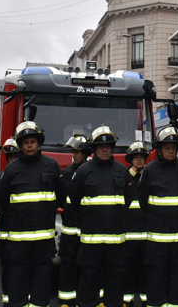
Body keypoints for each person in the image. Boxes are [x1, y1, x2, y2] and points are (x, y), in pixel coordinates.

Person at [0, 121, 64, 307]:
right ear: (20, 145)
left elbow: (61, 195)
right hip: (18, 243)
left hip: (43, 241)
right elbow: (1, 200)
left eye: (33, 141)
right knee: (17, 286)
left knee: (42, 286)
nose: (29, 145)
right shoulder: (11, 169)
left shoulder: (52, 166)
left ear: (38, 143)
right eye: (25, 142)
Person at [69, 125, 131, 307]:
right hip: (91, 241)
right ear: (94, 149)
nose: (105, 149)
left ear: (112, 148)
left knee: (116, 281)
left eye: (108, 146)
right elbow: (74, 200)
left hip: (116, 241)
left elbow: (127, 199)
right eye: (101, 146)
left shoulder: (122, 170)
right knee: (88, 281)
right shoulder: (83, 171)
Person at [138, 127, 178, 307]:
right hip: (157, 240)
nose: (171, 150)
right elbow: (143, 201)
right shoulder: (150, 170)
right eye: (167, 147)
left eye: (173, 147)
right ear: (159, 150)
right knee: (156, 278)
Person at [58, 134, 91, 307]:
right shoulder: (67, 173)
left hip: (87, 228)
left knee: (88, 267)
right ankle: (66, 301)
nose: (74, 155)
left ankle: (87, 301)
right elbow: (60, 197)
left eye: (78, 152)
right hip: (70, 228)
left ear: (85, 154)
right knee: (68, 265)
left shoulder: (91, 172)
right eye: (74, 152)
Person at [0, 138, 20, 306]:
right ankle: (7, 299)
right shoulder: (1, 177)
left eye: (14, 156)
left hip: (19, 231)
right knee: (7, 268)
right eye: (9, 157)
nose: (12, 160)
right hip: (5, 232)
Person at [124, 141, 150, 306]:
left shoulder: (150, 175)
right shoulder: (125, 176)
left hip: (146, 232)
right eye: (136, 157)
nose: (139, 160)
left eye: (142, 157)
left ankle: (146, 300)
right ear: (130, 160)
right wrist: (130, 176)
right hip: (129, 232)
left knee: (146, 269)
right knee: (128, 269)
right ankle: (127, 300)